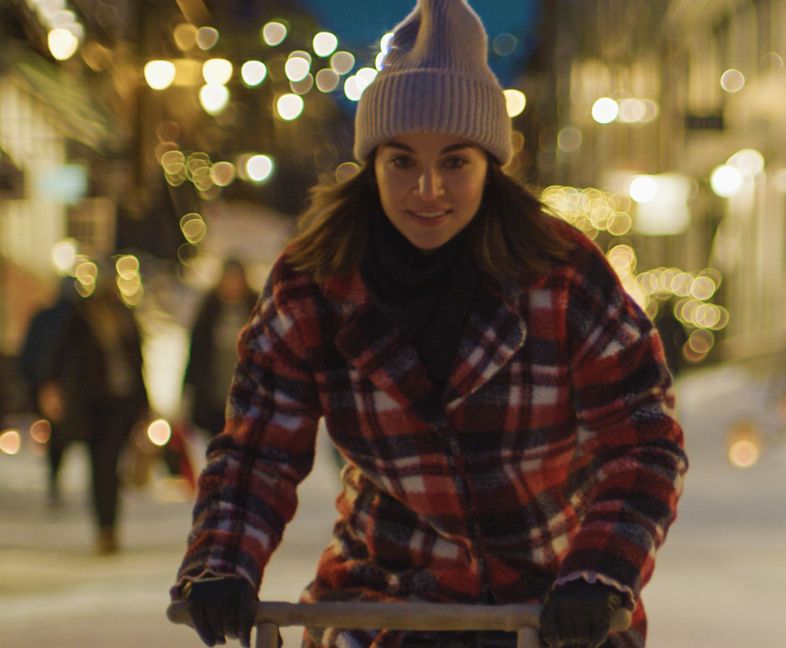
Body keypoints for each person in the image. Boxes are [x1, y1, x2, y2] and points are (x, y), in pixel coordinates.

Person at [171, 2, 688, 647]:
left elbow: (642, 441)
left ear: (489, 163)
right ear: (372, 162)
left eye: (454, 162)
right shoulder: (317, 283)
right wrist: (223, 561)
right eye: (402, 162)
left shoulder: (561, 276)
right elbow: (258, 449)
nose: (427, 191)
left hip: (549, 595)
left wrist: (600, 571)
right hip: (385, 592)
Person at [42, 267, 150, 554]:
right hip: (91, 403)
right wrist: (53, 388)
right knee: (100, 466)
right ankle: (105, 528)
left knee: (109, 464)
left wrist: (144, 405)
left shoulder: (127, 318)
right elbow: (60, 353)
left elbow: (138, 364)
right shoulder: (82, 316)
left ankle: (109, 527)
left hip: (121, 404)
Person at [17, 276, 78, 505]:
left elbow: (29, 351)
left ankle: (55, 475)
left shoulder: (44, 317)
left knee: (55, 433)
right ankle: (56, 474)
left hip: (48, 384)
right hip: (64, 386)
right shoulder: (76, 319)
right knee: (59, 433)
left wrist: (32, 379)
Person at [183, 258, 259, 438]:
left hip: (245, 397)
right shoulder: (209, 310)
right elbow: (197, 353)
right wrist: (189, 389)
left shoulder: (254, 311)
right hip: (214, 397)